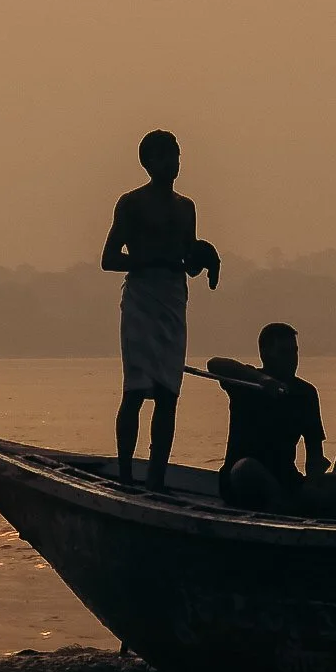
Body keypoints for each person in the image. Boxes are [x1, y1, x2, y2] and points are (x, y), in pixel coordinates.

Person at [102, 130, 218, 490]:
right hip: (141, 300)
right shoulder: (131, 203)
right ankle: (124, 475)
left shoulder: (187, 207)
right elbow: (108, 259)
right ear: (148, 162)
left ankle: (155, 478)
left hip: (172, 301)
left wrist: (207, 259)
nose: (174, 164)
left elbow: (188, 261)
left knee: (168, 394)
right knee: (135, 391)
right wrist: (150, 259)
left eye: (177, 157)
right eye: (166, 157)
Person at [208, 321, 336, 514]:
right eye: (284, 352)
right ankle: (295, 504)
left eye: (295, 352)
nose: (292, 359)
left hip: (288, 481)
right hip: (242, 481)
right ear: (265, 354)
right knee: (245, 468)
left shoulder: (305, 393)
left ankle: (294, 503)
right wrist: (262, 380)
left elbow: (314, 454)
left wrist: (312, 481)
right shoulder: (247, 383)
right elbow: (214, 364)